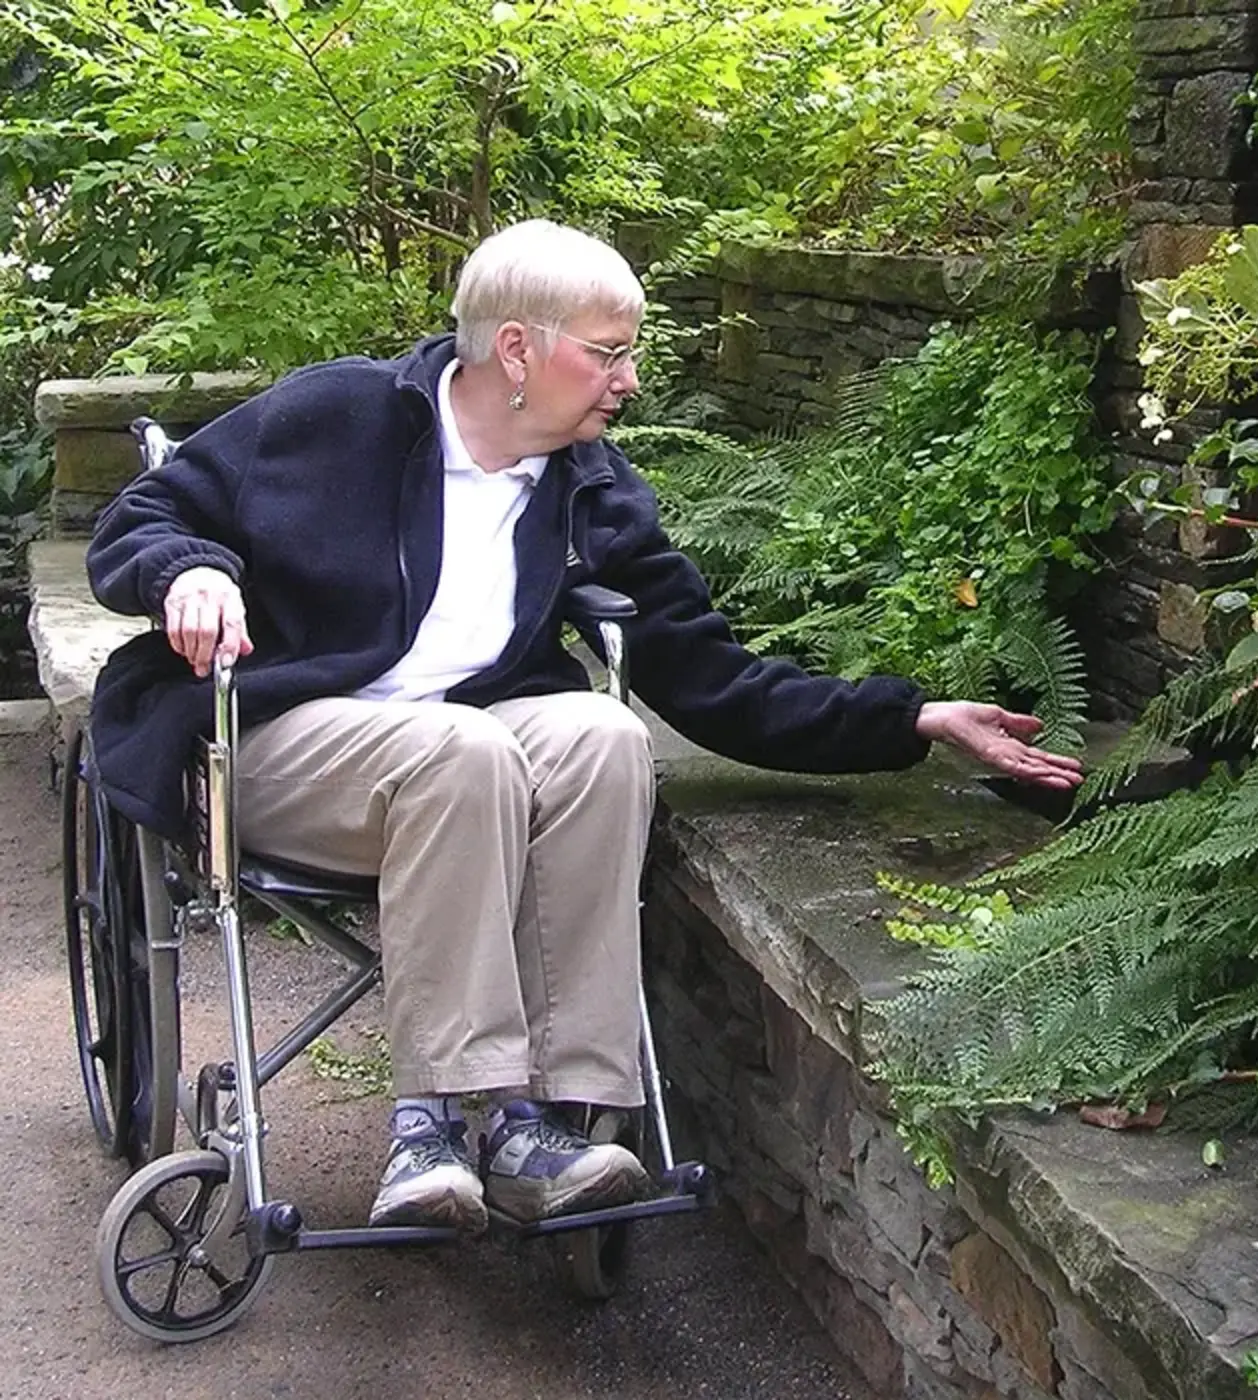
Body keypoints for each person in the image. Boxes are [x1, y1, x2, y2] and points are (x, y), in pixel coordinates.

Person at [86, 219, 1084, 1234]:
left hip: (460, 769)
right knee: (463, 748)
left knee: (604, 735)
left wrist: (910, 716)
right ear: (517, 349)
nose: (630, 380)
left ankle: (549, 1119)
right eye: (609, 353)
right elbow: (141, 521)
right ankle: (432, 1121)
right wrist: (191, 571)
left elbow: (712, 679)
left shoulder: (590, 491)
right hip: (279, 743)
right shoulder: (340, 416)